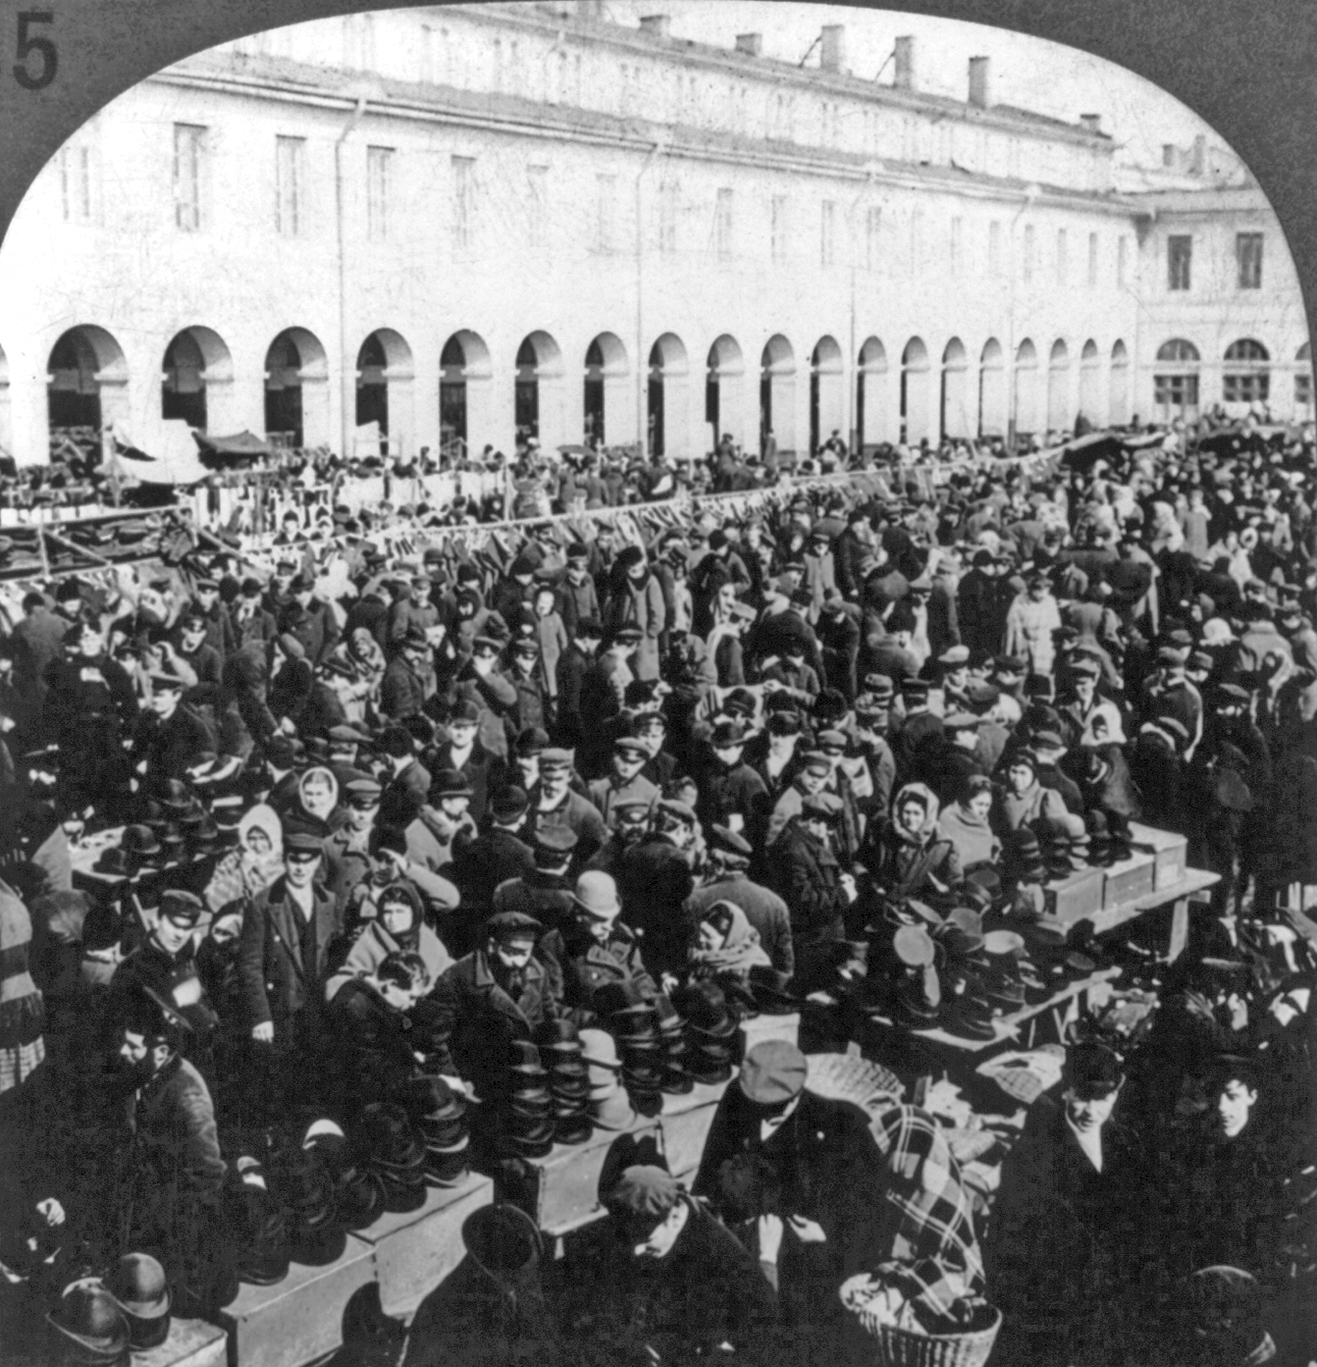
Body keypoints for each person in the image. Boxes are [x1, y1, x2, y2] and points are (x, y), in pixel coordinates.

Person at [986, 1042, 1152, 1366]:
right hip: (1053, 1311)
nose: (1091, 1111)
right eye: (1082, 1097)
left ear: (1115, 1095)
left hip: (1108, 1306)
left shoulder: (1124, 1145)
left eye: (1101, 1099)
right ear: (1066, 1091)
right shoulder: (1032, 1155)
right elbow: (1016, 1250)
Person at [596, 1164, 779, 1366]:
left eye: (647, 1239)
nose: (636, 1250)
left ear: (675, 1218)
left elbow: (766, 1326)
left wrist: (767, 1260)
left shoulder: (723, 1260)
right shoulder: (657, 1223)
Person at [236, 826, 344, 1122]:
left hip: (318, 1004)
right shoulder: (264, 903)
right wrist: (260, 1016)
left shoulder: (328, 901)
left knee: (316, 1074)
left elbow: (337, 954)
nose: (300, 867)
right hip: (281, 1005)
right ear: (285, 861)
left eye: (307, 861)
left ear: (317, 863)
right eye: (294, 860)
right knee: (280, 1079)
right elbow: (250, 963)